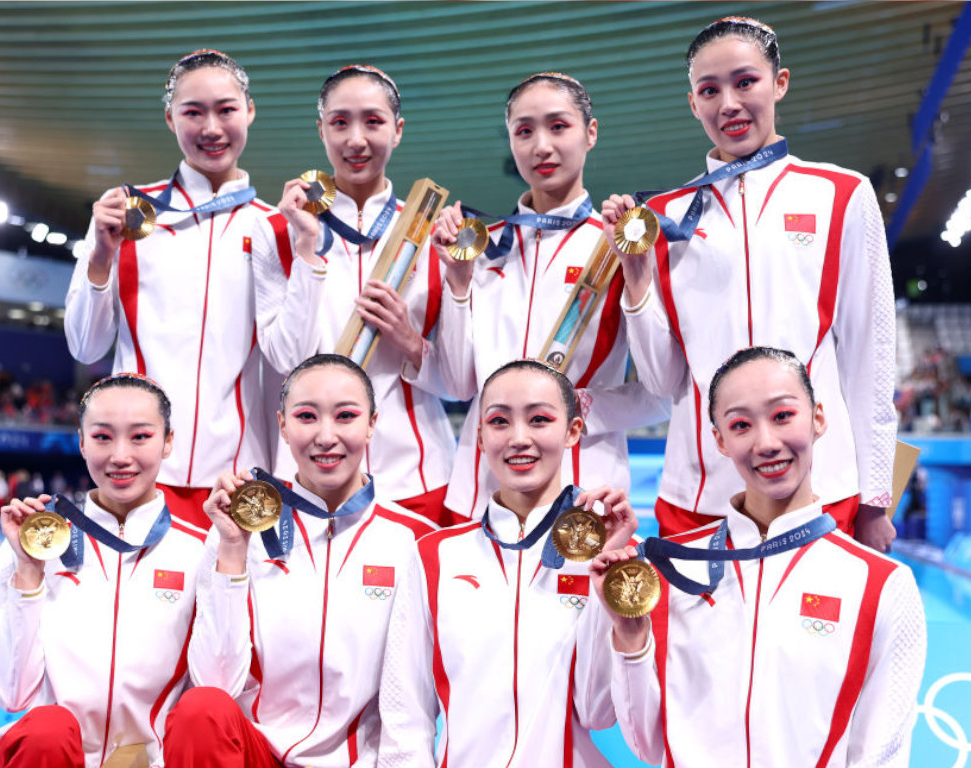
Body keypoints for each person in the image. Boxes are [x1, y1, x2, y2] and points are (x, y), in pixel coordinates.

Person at [601, 17, 897, 551]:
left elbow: (870, 358)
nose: (729, 104)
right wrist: (637, 279)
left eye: (746, 82)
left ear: (779, 82)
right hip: (700, 491)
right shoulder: (664, 216)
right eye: (709, 90)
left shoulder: (842, 194)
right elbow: (664, 381)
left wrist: (876, 498)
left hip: (820, 487)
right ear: (693, 104)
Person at [592, 347, 926, 767]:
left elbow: (882, 756)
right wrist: (630, 635)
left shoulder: (882, 584)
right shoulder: (671, 570)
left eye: (783, 416)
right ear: (720, 440)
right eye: (741, 425)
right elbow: (648, 743)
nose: (766, 443)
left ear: (819, 418)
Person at [163, 354, 435, 767]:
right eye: (307, 417)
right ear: (283, 426)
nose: (326, 436)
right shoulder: (240, 531)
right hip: (255, 756)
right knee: (199, 708)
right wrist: (232, 549)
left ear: (372, 424)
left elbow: (411, 699)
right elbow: (214, 683)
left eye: (346, 416)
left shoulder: (414, 541)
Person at [431, 72, 668, 522]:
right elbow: (461, 384)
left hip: (583, 484)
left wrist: (571, 410)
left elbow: (662, 390)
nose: (541, 146)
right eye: (524, 131)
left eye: (558, 126)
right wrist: (458, 282)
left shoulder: (620, 244)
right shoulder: (482, 247)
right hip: (479, 485)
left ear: (590, 133)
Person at [378, 359, 628, 768]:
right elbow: (404, 712)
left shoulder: (619, 554)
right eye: (498, 422)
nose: (519, 438)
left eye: (540, 419)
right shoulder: (434, 556)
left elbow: (599, 711)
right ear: (479, 436)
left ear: (573, 432)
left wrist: (608, 581)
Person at [64, 49, 272, 531]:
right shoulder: (126, 216)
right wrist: (99, 255)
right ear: (169, 118)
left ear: (250, 111)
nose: (211, 128)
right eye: (193, 112)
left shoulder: (275, 228)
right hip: (139, 475)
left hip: (239, 479)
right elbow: (85, 344)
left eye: (226, 109)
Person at [251, 64, 456, 525]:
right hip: (309, 475)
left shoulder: (433, 233)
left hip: (415, 476)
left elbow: (459, 383)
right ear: (320, 129)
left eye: (374, 121)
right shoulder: (275, 231)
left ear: (398, 130)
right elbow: (286, 359)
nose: (356, 139)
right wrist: (307, 254)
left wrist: (410, 342)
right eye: (340, 122)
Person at [0, 374, 207, 768]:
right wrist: (29, 573)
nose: (120, 455)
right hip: (49, 757)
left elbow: (214, 692)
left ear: (168, 441)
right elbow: (11, 696)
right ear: (81, 442)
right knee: (46, 730)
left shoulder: (198, 549)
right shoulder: (33, 544)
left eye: (140, 437)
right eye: (102, 437)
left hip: (153, 761)